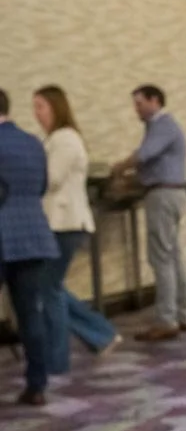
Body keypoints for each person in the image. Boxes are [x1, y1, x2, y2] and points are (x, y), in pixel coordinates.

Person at [34, 85, 121, 369]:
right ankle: (100, 333)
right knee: (49, 287)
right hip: (58, 223)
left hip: (65, 223)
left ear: (56, 108)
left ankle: (59, 359)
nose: (36, 114)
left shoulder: (66, 139)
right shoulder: (53, 140)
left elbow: (52, 179)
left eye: (41, 107)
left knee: (48, 289)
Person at [111, 85, 186, 342]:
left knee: (161, 258)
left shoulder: (162, 125)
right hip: (171, 193)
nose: (136, 109)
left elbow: (144, 156)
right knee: (173, 255)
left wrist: (119, 169)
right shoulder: (159, 128)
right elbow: (151, 168)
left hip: (163, 196)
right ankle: (182, 313)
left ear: (155, 101)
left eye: (139, 103)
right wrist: (131, 180)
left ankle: (167, 320)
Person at [0, 87, 60, 405]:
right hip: (33, 235)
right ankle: (37, 386)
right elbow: (40, 187)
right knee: (30, 315)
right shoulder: (33, 143)